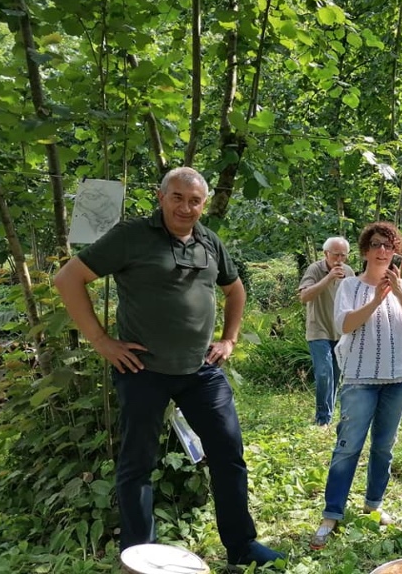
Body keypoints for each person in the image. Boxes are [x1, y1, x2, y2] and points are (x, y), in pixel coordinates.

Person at [54, 167, 284, 569]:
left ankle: (242, 548)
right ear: (160, 197)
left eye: (195, 200)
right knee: (137, 464)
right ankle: (141, 559)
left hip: (201, 371)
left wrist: (229, 339)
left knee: (229, 455)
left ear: (204, 203)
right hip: (142, 370)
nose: (186, 207)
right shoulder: (131, 237)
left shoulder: (209, 241)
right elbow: (68, 279)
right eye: (177, 197)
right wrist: (101, 341)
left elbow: (235, 289)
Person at [309, 222, 402, 549]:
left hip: (400, 377)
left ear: (395, 251)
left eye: (388, 246)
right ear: (364, 251)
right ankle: (332, 513)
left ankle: (373, 505)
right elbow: (345, 325)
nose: (382, 251)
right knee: (348, 446)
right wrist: (376, 299)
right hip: (360, 379)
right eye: (376, 245)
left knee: (383, 446)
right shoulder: (349, 285)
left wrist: (399, 293)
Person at [298, 237, 355, 426]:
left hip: (340, 331)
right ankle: (323, 419)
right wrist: (328, 278)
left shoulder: (349, 272)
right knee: (324, 373)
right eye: (335, 255)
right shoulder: (315, 269)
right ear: (326, 254)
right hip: (318, 330)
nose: (339, 259)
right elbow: (304, 296)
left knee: (336, 376)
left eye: (343, 255)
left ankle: (328, 416)